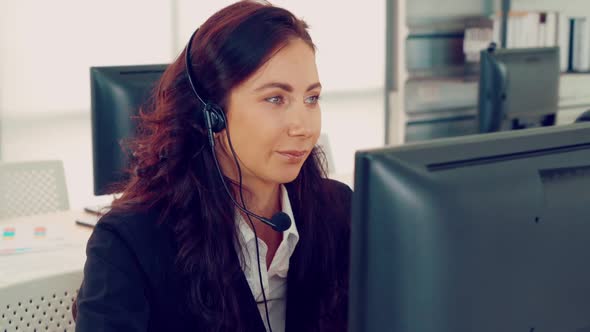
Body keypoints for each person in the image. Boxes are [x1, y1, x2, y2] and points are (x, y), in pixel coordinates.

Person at [74, 1, 352, 331]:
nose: (303, 126)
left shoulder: (338, 210)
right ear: (212, 113)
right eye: (275, 98)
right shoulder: (131, 240)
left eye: (312, 99)